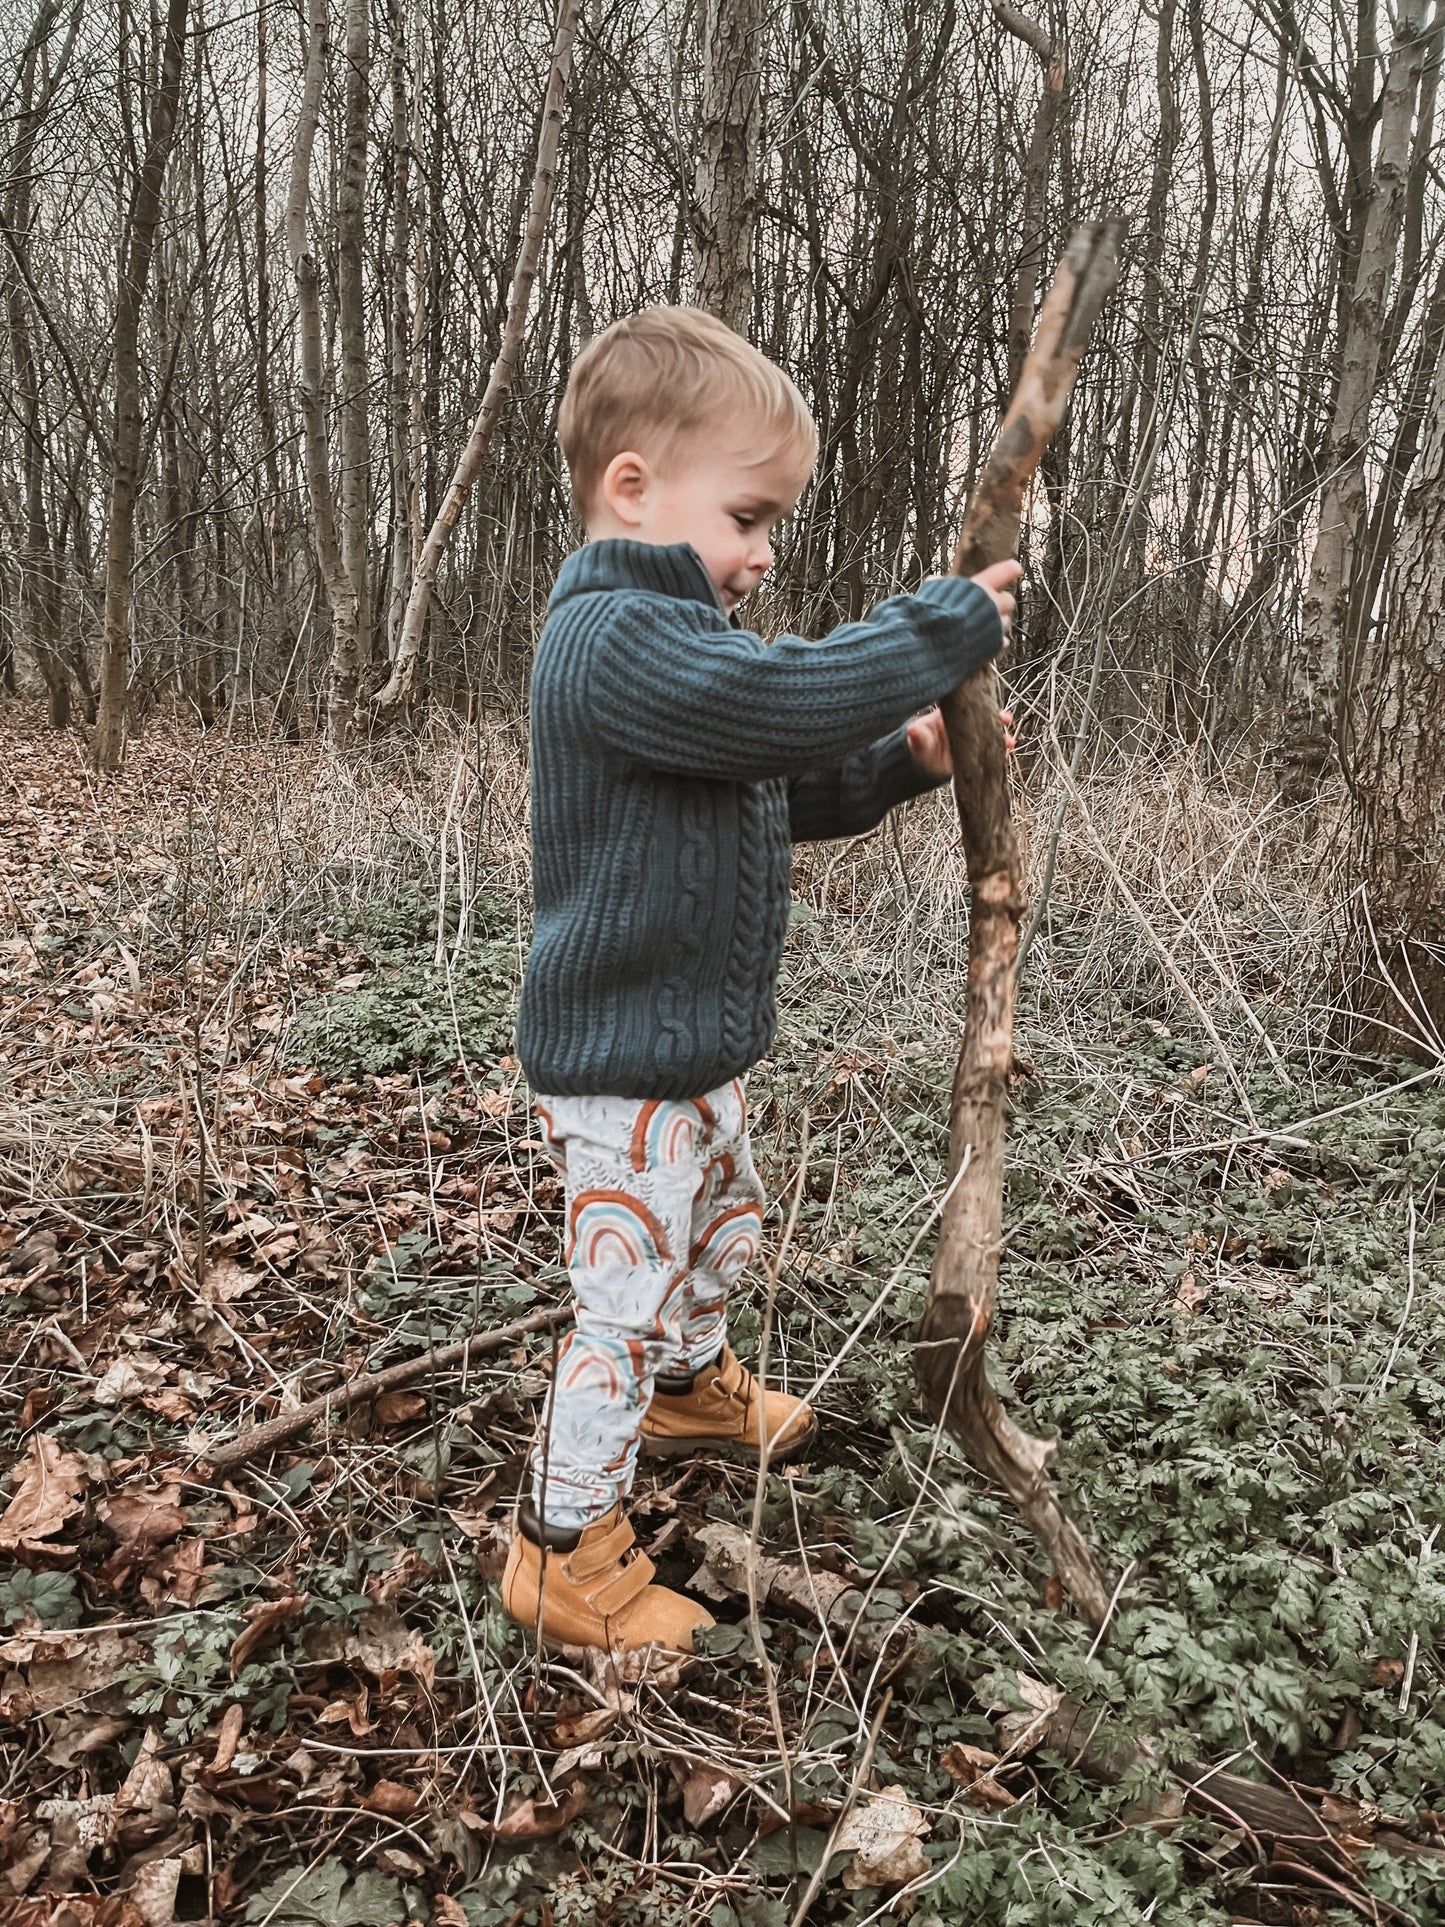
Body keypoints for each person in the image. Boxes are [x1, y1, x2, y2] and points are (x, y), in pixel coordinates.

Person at [501, 306, 1019, 1655]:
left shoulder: (681, 658)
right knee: (619, 1296)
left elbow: (773, 789)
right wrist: (937, 629)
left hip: (691, 1050)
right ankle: (562, 1550)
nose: (761, 552)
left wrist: (904, 760)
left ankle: (690, 1389)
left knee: (722, 1225)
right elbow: (773, 706)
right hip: (617, 1064)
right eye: (745, 514)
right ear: (634, 488)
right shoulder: (615, 636)